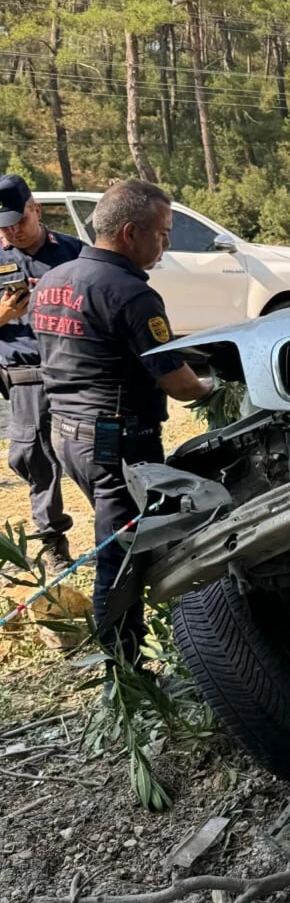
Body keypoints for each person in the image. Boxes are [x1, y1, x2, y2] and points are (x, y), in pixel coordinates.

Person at [33, 181, 212, 663]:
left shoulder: (53, 280)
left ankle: (139, 645)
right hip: (119, 443)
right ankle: (125, 671)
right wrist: (213, 387)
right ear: (132, 233)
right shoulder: (132, 294)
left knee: (128, 541)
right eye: (163, 232)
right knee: (120, 555)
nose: (166, 244)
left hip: (69, 437)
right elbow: (180, 384)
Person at [0, 175, 83, 570]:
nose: (13, 231)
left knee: (95, 454)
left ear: (36, 209)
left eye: (19, 220)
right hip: (26, 376)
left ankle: (124, 531)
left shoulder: (73, 253)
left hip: (76, 372)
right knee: (32, 457)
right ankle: (52, 542)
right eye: (3, 225)